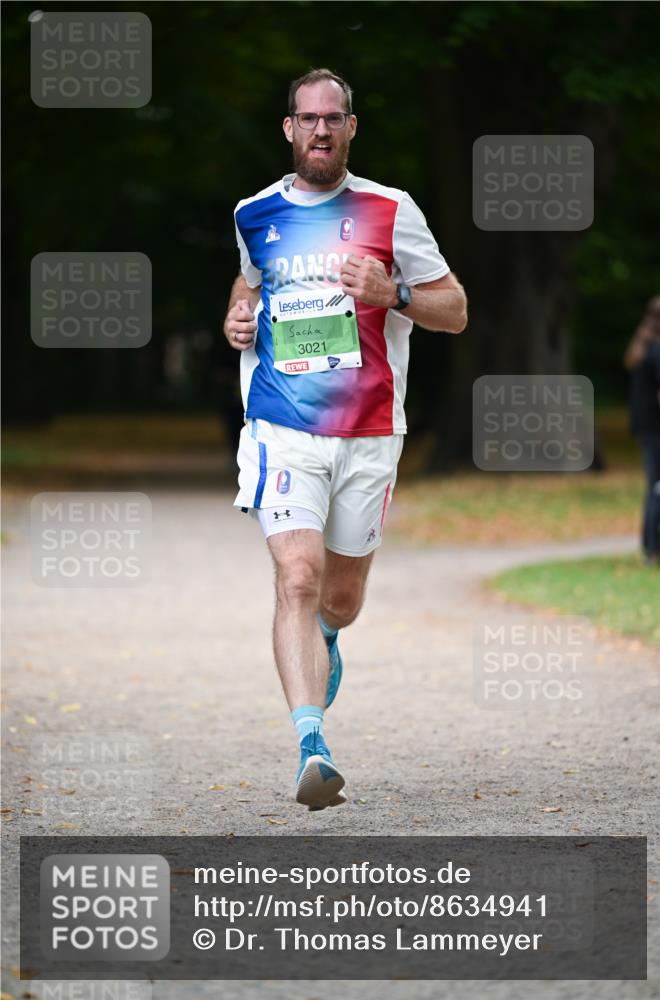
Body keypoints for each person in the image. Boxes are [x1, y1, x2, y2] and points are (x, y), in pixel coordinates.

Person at [223, 68, 467, 809]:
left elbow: (453, 309)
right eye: (307, 118)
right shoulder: (254, 212)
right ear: (288, 128)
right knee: (295, 576)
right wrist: (236, 316)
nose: (320, 130)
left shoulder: (391, 210)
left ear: (351, 129)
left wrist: (392, 293)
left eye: (334, 118)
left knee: (342, 595)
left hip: (368, 431)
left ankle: (327, 634)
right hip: (281, 424)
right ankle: (310, 744)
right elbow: (247, 286)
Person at [625, 296, 660, 565]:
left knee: (654, 486)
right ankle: (655, 549)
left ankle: (650, 547)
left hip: (644, 428)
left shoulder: (641, 348)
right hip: (659, 429)